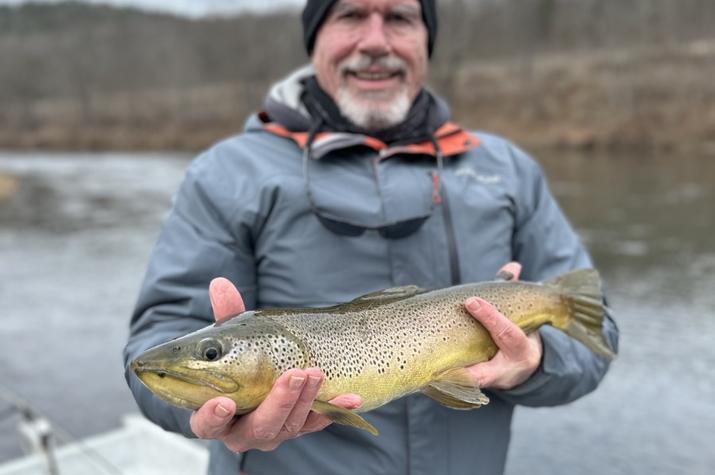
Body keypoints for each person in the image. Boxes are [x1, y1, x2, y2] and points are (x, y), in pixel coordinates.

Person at [123, 0, 619, 474]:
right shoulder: (226, 174)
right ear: (315, 36)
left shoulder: (509, 171)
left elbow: (596, 335)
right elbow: (153, 349)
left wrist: (536, 362)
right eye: (351, 14)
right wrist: (205, 415)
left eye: (400, 17)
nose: (375, 40)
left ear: (427, 38)